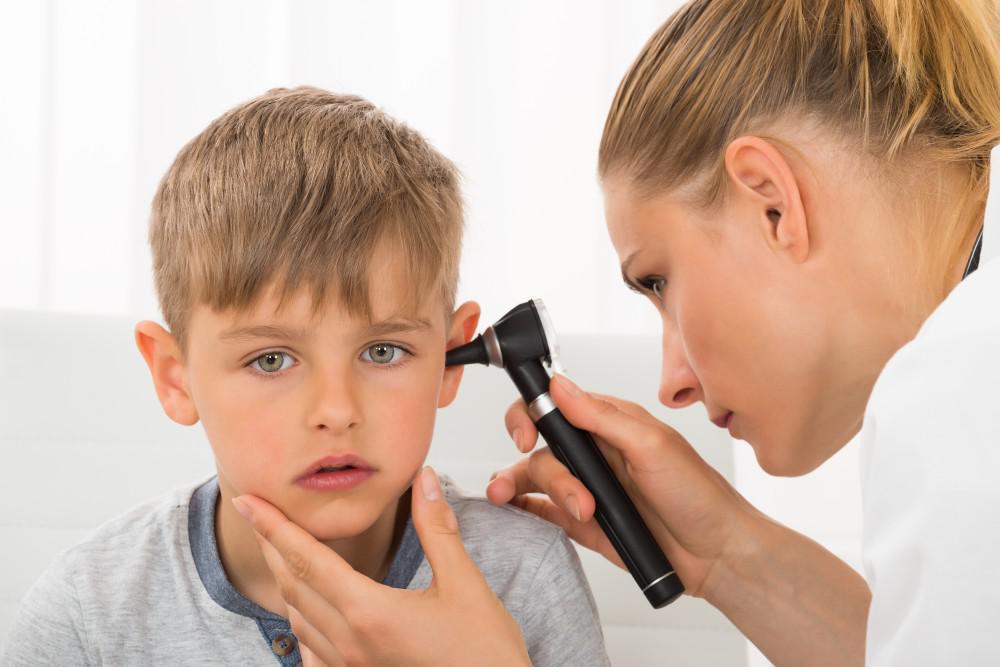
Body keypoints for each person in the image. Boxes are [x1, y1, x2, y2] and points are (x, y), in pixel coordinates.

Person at [233, 1, 1000, 665]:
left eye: (658, 280)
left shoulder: (956, 392)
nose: (671, 381)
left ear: (772, 202)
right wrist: (726, 553)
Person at [2, 87, 610, 667]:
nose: (337, 410)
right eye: (271, 360)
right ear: (175, 377)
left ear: (449, 358)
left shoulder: (523, 577)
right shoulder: (89, 613)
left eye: (382, 352)